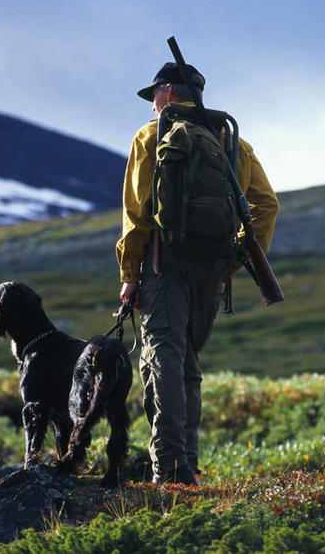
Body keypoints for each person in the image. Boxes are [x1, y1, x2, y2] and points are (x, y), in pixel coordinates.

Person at [116, 62, 279, 485]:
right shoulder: (230, 141)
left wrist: (130, 274)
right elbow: (267, 205)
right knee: (187, 363)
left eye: (154, 94)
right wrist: (235, 260)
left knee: (162, 359)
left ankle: (170, 467)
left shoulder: (151, 136)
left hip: (162, 263)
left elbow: (137, 216)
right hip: (212, 270)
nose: (153, 103)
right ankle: (185, 463)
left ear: (168, 92)